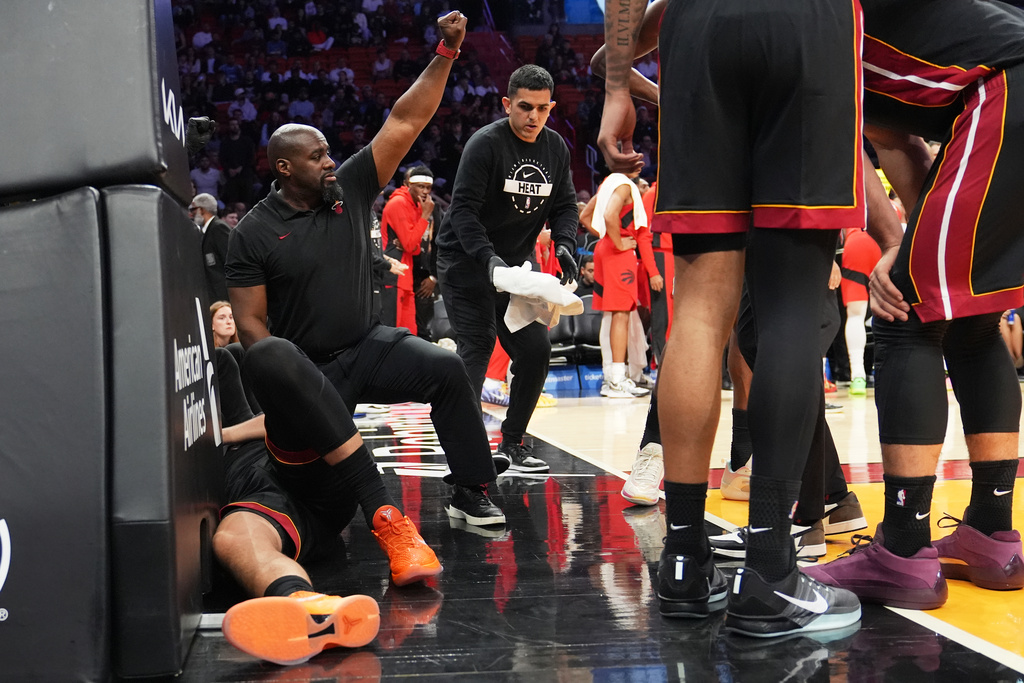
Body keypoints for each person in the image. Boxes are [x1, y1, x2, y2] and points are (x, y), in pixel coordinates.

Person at [599, 0, 866, 636]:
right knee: (791, 309)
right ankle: (771, 570)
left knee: (696, 310)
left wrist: (616, 82)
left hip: (698, 27)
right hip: (809, 23)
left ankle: (685, 561)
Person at [225, 12, 509, 535]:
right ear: (284, 169)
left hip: (369, 344)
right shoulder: (254, 231)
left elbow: (405, 121)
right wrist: (293, 391)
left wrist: (446, 54)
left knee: (446, 371)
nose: (331, 161)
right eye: (317, 157)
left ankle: (471, 489)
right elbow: (251, 328)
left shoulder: (349, 188)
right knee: (317, 492)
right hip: (311, 369)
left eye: (329, 151)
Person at [803, 0, 1024, 607]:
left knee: (904, 314)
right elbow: (898, 143)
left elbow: (847, 146)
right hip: (1005, 98)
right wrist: (910, 242)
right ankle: (991, 531)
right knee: (972, 321)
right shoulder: (882, 52)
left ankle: (901, 548)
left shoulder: (814, 25)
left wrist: (621, 73)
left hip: (1007, 97)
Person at [435, 64, 579, 474]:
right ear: (507, 104)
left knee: (536, 351)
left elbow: (566, 206)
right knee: (478, 345)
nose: (533, 116)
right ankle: (463, 449)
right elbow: (462, 212)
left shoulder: (556, 148)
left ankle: (513, 443)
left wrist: (566, 242)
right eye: (524, 107)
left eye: (542, 108)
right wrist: (489, 261)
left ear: (550, 107)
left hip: (514, 269)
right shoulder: (485, 144)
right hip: (466, 261)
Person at [212, 348, 383, 666]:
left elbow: (267, 412)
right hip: (272, 503)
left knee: (259, 358)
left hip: (302, 471)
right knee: (231, 539)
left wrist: (221, 435)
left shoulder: (237, 422)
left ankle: (383, 509)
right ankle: (308, 607)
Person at [381, 166, 435, 335]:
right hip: (392, 275)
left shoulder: (416, 205)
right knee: (392, 333)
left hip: (406, 276)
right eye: (420, 186)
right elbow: (412, 245)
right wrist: (425, 216)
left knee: (408, 334)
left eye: (428, 188)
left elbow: (417, 248)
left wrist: (412, 244)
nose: (425, 191)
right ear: (408, 184)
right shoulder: (398, 203)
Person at [840, 226, 882, 395]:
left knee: (855, 315)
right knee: (887, 308)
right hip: (882, 243)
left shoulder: (847, 199)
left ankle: (858, 377)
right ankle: (888, 371)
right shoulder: (892, 205)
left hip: (855, 243)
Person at [190, 192, 231, 303]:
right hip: (213, 294)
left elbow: (231, 262)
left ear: (202, 210)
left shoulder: (219, 228)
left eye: (193, 210)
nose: (191, 214)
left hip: (223, 295)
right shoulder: (207, 230)